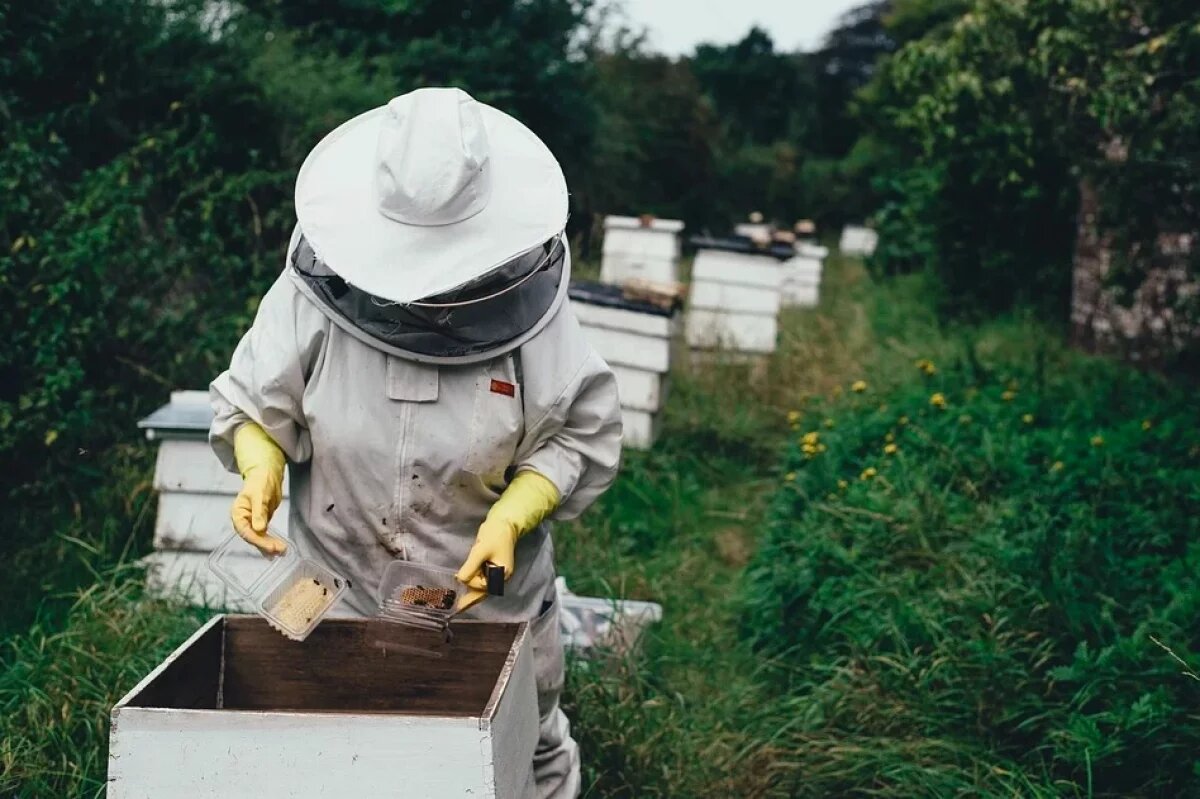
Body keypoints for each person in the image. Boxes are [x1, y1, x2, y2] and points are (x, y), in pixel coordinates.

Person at [208, 86, 622, 798]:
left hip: (484, 602)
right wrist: (260, 464)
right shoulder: (311, 297)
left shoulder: (536, 322)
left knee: (518, 754)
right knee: (343, 764)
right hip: (332, 595)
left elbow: (573, 437)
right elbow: (257, 401)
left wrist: (511, 516)